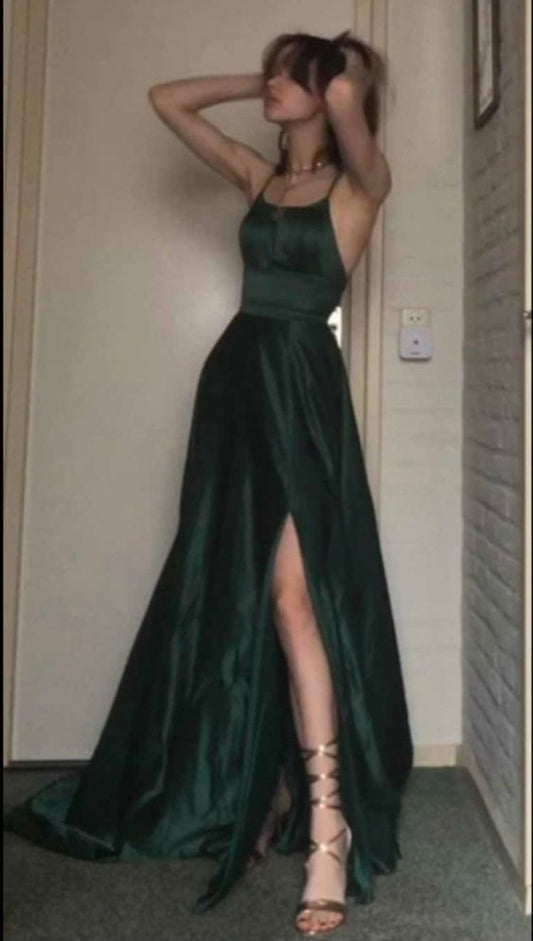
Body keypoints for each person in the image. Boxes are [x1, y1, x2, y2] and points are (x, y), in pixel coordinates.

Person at [4, 29, 413, 937]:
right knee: (236, 589)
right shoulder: (258, 178)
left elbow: (353, 120)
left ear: (330, 92)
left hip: (301, 393)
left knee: (294, 597)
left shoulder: (360, 185)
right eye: (274, 74)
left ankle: (329, 830)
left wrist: (336, 81)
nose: (273, 86)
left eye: (291, 77)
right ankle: (262, 789)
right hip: (233, 387)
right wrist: (266, 78)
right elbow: (167, 100)